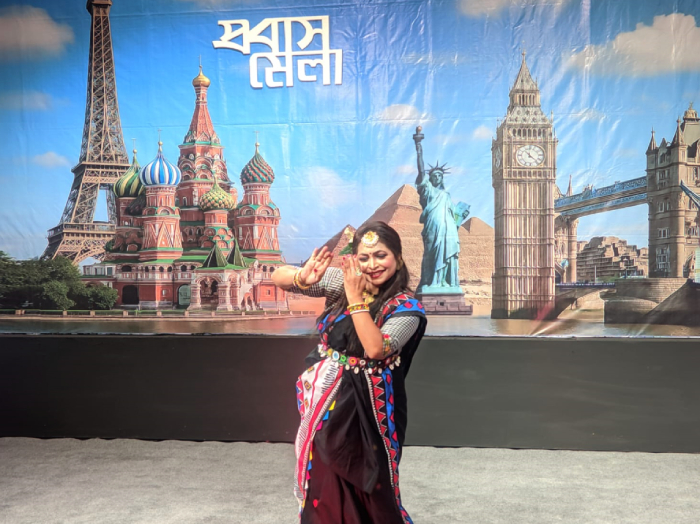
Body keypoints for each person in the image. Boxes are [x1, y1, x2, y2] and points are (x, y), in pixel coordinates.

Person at [272, 221, 428, 524]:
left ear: (398, 258)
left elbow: (375, 348)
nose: (372, 265)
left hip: (371, 411)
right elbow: (278, 276)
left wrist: (356, 300)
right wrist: (302, 277)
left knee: (370, 481)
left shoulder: (406, 308)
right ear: (355, 259)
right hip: (327, 403)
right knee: (324, 475)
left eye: (381, 255)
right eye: (364, 257)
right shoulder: (341, 281)